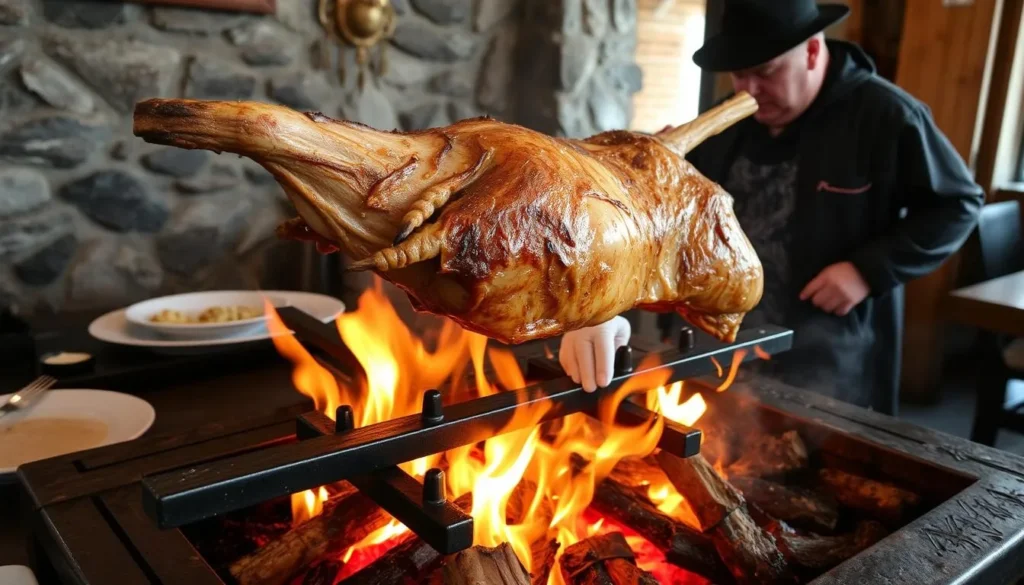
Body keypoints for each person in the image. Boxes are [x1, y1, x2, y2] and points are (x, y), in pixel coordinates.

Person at [558, 0, 985, 415]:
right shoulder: (724, 123)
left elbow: (958, 205)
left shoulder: (886, 116)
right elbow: (662, 221)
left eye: (765, 72)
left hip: (827, 351)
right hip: (717, 347)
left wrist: (867, 270)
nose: (750, 92)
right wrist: (601, 304)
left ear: (813, 51)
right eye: (740, 76)